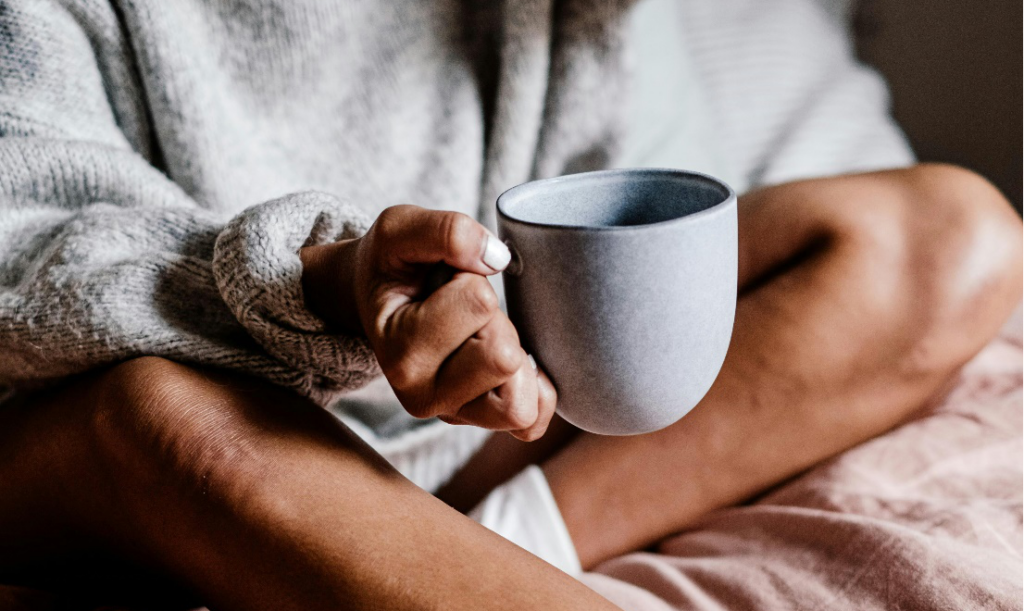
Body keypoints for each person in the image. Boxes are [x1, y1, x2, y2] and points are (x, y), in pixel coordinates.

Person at [1, 0, 1022, 609]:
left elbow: (612, 210)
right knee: (163, 422)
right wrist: (319, 281)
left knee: (950, 233)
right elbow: (24, 258)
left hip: (471, 428)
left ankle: (488, 546)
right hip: (156, 414)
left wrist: (515, 331)